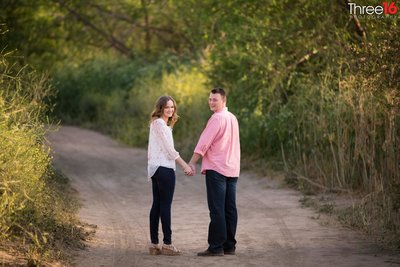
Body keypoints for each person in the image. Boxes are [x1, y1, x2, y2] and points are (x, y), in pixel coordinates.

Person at [188, 87, 240, 256]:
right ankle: (229, 246)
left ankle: (216, 247)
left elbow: (203, 143)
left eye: (215, 99)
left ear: (224, 101)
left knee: (217, 208)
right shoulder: (232, 118)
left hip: (217, 169)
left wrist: (192, 163)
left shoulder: (216, 119)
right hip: (232, 168)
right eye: (210, 99)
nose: (211, 102)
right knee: (229, 208)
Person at [147, 95, 193, 256]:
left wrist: (171, 125)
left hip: (155, 168)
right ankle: (167, 243)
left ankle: (154, 244)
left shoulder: (159, 124)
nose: (170, 109)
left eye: (172, 107)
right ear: (160, 108)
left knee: (157, 205)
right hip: (164, 169)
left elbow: (163, 142)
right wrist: (185, 165)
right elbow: (169, 150)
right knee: (164, 206)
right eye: (167, 107)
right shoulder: (159, 123)